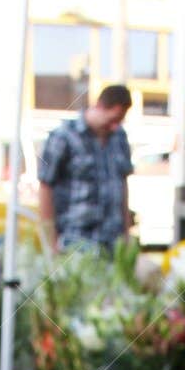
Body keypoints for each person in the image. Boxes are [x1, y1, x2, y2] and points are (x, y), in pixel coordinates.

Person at [37, 85, 133, 252]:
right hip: (75, 242)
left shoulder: (119, 138)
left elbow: (122, 186)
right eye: (112, 119)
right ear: (99, 106)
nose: (114, 126)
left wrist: (126, 234)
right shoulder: (64, 137)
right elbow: (46, 186)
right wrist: (50, 243)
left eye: (119, 121)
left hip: (112, 243)